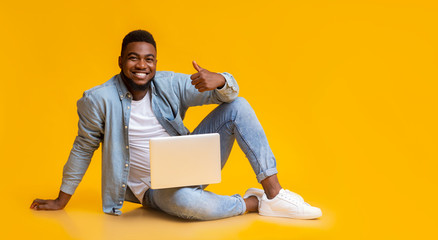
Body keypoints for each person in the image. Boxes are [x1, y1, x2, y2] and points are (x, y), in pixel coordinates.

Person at [30, 30, 322, 220]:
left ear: (156, 63)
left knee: (238, 106)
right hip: (152, 189)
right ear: (120, 61)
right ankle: (254, 204)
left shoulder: (170, 84)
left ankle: (275, 194)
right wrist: (61, 199)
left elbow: (229, 95)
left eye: (149, 59)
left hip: (191, 166)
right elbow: (83, 148)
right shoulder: (98, 100)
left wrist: (220, 80)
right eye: (133, 58)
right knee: (184, 203)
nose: (141, 65)